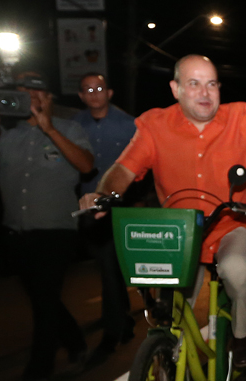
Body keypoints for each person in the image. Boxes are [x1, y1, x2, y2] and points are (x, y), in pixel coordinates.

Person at [80, 45, 246, 367]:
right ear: (176, 89)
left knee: (236, 269)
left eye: (211, 84)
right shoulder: (154, 126)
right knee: (170, 310)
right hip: (180, 231)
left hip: (235, 224)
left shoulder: (240, 118)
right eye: (194, 83)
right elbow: (123, 169)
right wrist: (105, 193)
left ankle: (242, 334)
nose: (205, 92)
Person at [0, 72, 95, 381]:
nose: (31, 97)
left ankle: (38, 373)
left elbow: (86, 166)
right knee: (44, 298)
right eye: (23, 92)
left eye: (38, 92)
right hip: (16, 231)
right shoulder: (6, 132)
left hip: (56, 231)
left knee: (44, 302)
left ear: (49, 99)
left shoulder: (69, 129)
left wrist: (49, 129)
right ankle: (75, 343)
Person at [74, 72, 138, 357]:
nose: (94, 94)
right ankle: (121, 317)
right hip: (86, 206)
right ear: (81, 96)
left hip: (118, 207)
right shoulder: (75, 125)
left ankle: (112, 334)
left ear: (109, 92)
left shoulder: (128, 125)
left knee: (110, 265)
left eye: (99, 88)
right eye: (88, 90)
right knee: (106, 266)